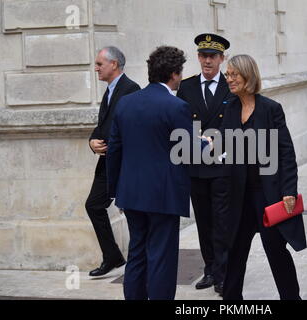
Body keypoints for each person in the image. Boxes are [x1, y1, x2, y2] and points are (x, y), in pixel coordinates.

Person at [106, 46, 196, 300]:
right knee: (161, 259)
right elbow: (189, 150)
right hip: (163, 196)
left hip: (131, 194)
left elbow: (114, 150)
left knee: (137, 254)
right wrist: (209, 144)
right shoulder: (176, 106)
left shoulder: (125, 103)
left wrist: (115, 191)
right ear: (174, 74)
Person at [220, 54, 307, 300]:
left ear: (248, 76)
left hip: (266, 196)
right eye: (227, 75)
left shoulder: (270, 109)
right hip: (239, 196)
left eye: (233, 74)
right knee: (234, 253)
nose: (229, 79)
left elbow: (286, 154)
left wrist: (289, 190)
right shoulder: (230, 109)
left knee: (276, 252)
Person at [176, 33, 232, 296]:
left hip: (221, 164)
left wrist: (217, 140)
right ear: (198, 58)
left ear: (222, 59)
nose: (207, 61)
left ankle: (223, 272)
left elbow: (236, 122)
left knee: (221, 220)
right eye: (203, 56)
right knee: (204, 220)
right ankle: (210, 269)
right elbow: (179, 120)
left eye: (213, 56)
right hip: (196, 165)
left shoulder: (230, 86)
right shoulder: (186, 87)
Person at [86, 46, 140, 277]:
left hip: (124, 164)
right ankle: (113, 256)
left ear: (114, 64)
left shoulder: (131, 89)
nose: (96, 68)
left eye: (99, 64)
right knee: (93, 206)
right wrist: (92, 141)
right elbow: (103, 124)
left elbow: (131, 128)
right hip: (107, 164)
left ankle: (139, 264)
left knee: (133, 212)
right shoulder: (109, 91)